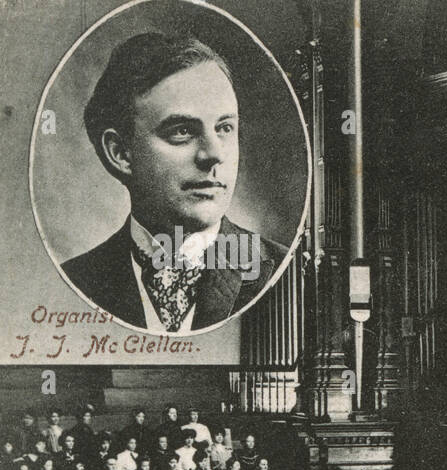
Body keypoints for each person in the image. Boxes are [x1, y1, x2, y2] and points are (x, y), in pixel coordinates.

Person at [61, 33, 287, 331]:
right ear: (121, 154)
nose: (214, 154)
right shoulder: (73, 282)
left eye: (225, 128)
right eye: (182, 131)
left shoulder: (289, 274)